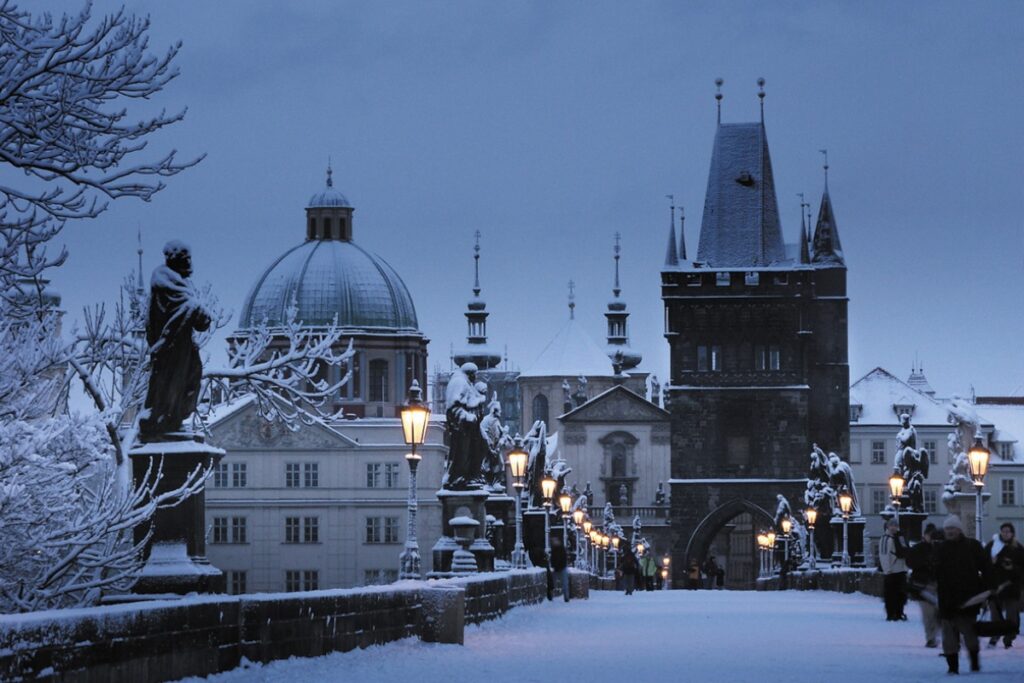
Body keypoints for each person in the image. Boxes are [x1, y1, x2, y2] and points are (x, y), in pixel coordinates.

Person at [935, 515, 991, 674]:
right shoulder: (941, 548)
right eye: (947, 529)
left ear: (959, 529)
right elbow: (935, 571)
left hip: (968, 599)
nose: (949, 531)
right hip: (946, 599)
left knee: (970, 634)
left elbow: (986, 567)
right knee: (949, 638)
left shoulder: (972, 546)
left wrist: (988, 588)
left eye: (952, 528)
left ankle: (974, 662)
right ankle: (952, 667)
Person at [984, 522, 1024, 648]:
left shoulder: (1017, 547)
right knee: (995, 614)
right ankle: (995, 636)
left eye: (1008, 531)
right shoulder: (992, 545)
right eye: (1003, 531)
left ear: (1012, 533)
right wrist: (992, 562)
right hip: (996, 585)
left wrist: (1012, 567)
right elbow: (984, 564)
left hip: (1012, 586)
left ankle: (1009, 639)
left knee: (1012, 615)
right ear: (1000, 532)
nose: (1006, 533)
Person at [906, 523, 941, 647]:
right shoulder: (918, 549)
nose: (931, 538)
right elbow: (909, 562)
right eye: (929, 535)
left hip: (937, 585)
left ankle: (935, 634)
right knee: (928, 614)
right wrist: (924, 563)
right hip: (923, 585)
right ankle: (930, 637)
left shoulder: (940, 548)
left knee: (938, 612)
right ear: (924, 535)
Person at [878, 518, 908, 621]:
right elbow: (883, 555)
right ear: (887, 527)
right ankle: (891, 614)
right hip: (892, 571)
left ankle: (899, 612)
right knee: (891, 594)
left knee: (901, 594)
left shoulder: (900, 537)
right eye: (891, 525)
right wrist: (887, 570)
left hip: (901, 569)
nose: (893, 528)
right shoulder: (885, 538)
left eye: (895, 525)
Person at [550, 535, 570, 602]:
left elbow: (563, 558)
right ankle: (551, 596)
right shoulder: (554, 549)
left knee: (564, 583)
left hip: (562, 568)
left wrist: (559, 565)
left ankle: (566, 597)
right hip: (556, 568)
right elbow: (552, 559)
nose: (554, 542)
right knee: (553, 583)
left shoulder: (561, 549)